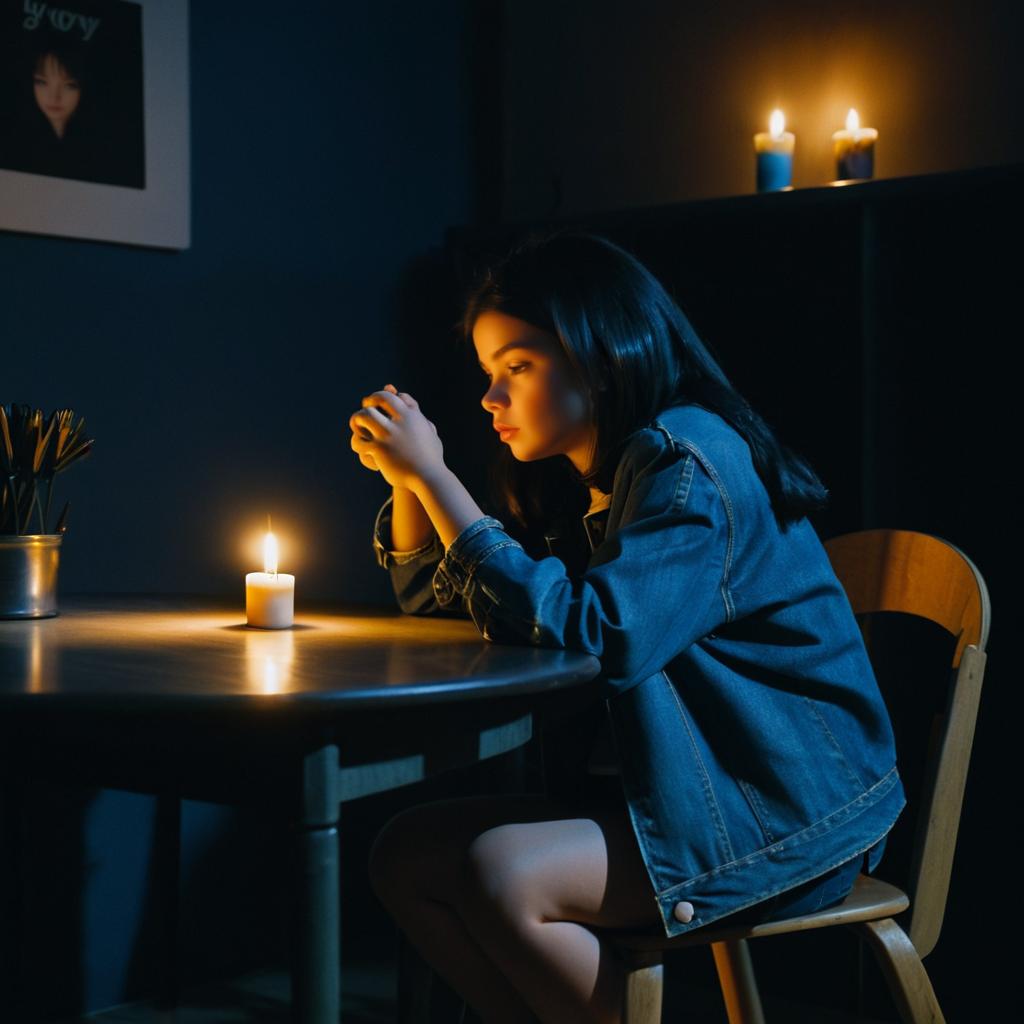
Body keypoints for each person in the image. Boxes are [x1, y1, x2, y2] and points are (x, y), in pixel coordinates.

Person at [349, 233, 905, 1024]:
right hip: (685, 785)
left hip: (782, 805)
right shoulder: (603, 473)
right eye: (487, 375)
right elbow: (460, 599)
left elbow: (598, 634)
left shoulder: (687, 465)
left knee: (500, 875)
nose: (490, 399)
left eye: (517, 366)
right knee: (405, 856)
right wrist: (409, 483)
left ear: (601, 357)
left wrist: (439, 479)